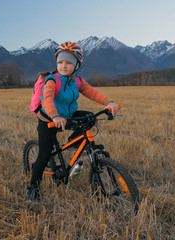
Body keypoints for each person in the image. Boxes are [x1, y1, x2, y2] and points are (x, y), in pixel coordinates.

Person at [26, 41, 119, 202]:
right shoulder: (52, 80)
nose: (63, 66)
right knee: (44, 154)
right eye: (60, 62)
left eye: (68, 63)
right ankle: (33, 186)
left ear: (76, 65)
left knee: (90, 117)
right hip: (48, 118)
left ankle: (74, 141)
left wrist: (109, 103)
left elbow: (92, 92)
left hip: (67, 116)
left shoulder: (77, 81)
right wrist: (54, 116)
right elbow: (47, 99)